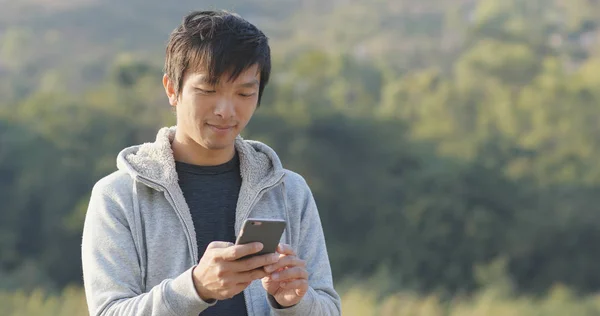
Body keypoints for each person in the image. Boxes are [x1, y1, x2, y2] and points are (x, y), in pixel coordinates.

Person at [81, 9, 341, 316]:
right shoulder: (119, 195)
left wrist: (295, 301)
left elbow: (328, 309)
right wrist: (195, 288)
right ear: (171, 89)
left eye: (245, 93)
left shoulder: (288, 190)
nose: (226, 110)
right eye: (208, 90)